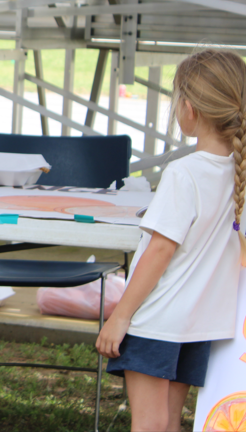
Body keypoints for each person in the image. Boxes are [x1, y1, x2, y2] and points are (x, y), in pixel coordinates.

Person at [97, 49, 245, 432]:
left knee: (148, 426)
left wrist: (120, 316)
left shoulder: (184, 173)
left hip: (157, 320)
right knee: (169, 424)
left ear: (189, 109)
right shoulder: (236, 173)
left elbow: (161, 251)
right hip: (200, 324)